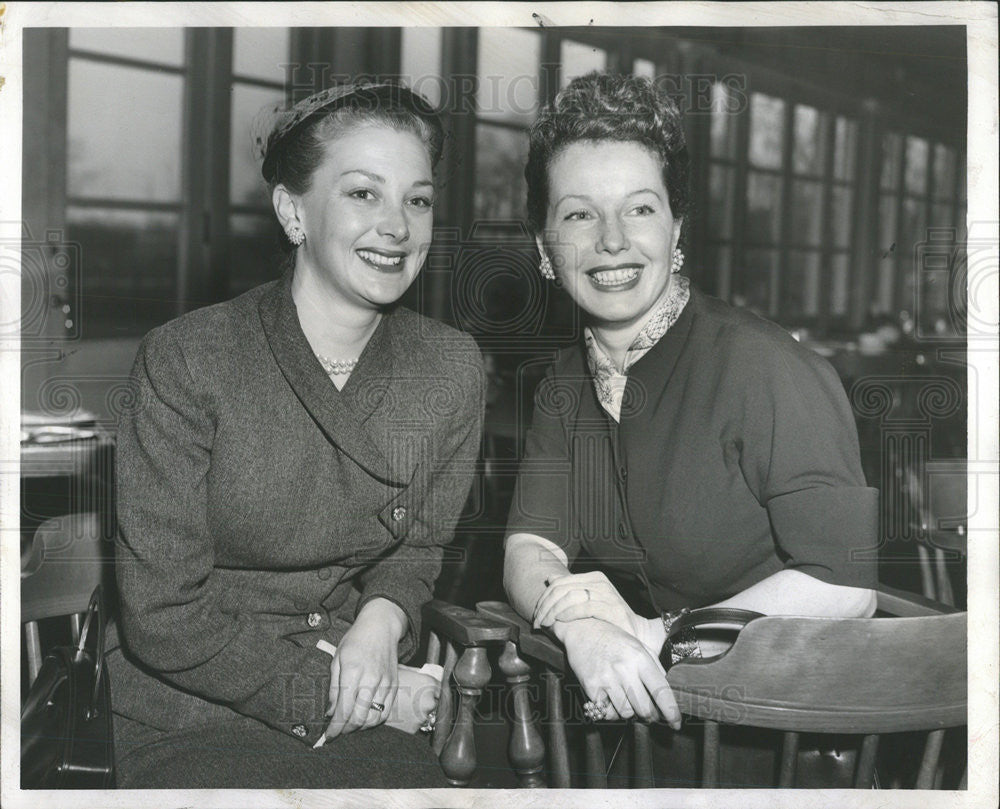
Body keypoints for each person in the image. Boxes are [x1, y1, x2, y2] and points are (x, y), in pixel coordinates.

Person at [107, 82, 484, 788]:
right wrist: (344, 694)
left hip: (355, 672)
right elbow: (160, 617)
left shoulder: (449, 367)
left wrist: (379, 621)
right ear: (292, 211)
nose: (397, 226)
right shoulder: (188, 358)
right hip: (190, 704)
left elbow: (421, 546)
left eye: (418, 199)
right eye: (363, 194)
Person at [503, 72, 878, 770]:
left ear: (676, 226)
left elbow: (847, 584)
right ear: (543, 244)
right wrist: (580, 621)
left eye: (639, 209)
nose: (613, 240)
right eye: (580, 214)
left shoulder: (764, 367)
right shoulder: (563, 384)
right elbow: (529, 547)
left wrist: (660, 633)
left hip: (785, 740)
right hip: (649, 733)